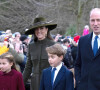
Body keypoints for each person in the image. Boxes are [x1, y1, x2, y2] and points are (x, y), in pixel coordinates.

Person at [23, 17, 57, 90]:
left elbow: (58, 66)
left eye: (41, 28)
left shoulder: (53, 45)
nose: (39, 31)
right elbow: (28, 67)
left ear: (46, 29)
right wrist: (20, 83)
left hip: (50, 82)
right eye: (36, 29)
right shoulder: (31, 46)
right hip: (35, 84)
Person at [75, 8, 100, 90]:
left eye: (98, 20)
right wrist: (79, 82)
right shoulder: (82, 40)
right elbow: (78, 64)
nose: (95, 23)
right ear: (89, 21)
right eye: (93, 20)